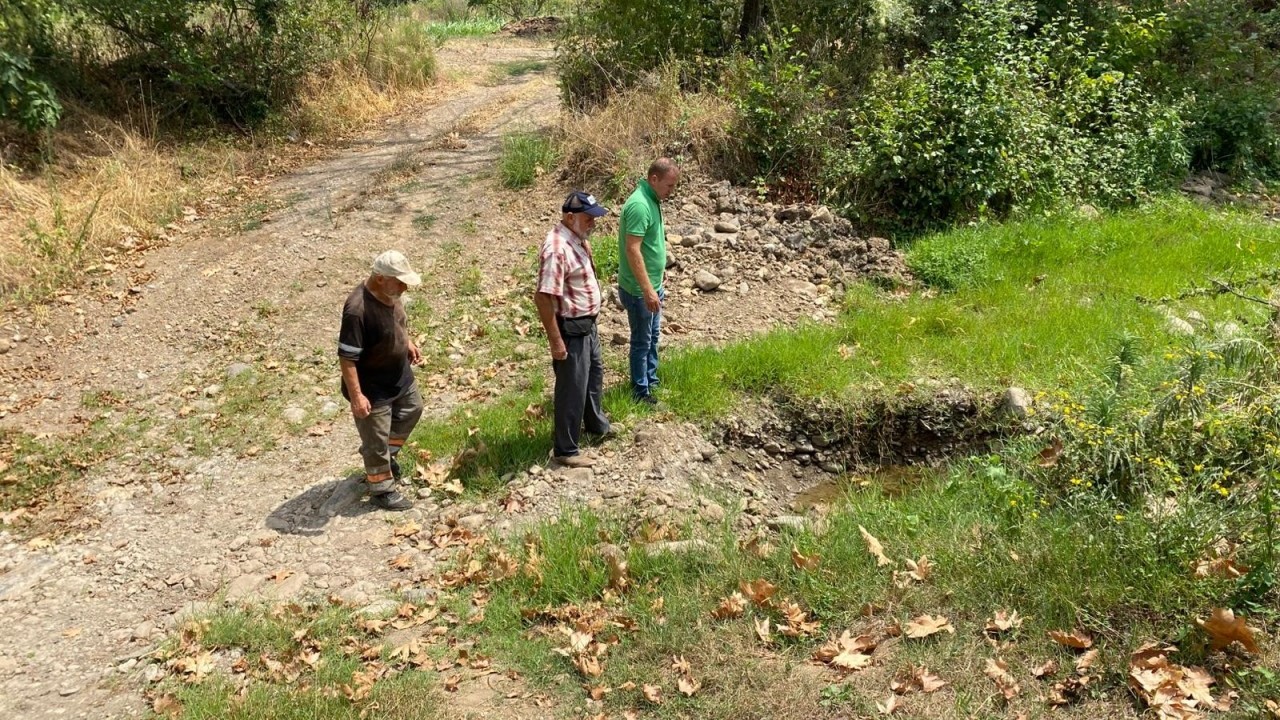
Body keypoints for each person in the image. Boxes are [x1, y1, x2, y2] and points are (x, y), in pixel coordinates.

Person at [533, 191, 620, 468]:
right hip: (570, 329)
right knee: (571, 389)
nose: (593, 223)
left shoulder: (577, 240)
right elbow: (543, 297)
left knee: (592, 379)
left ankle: (596, 426)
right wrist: (556, 342)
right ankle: (566, 450)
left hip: (587, 324)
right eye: (588, 217)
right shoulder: (557, 248)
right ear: (570, 217)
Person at [337, 250, 424, 510]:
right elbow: (347, 358)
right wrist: (356, 396)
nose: (404, 286)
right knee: (375, 441)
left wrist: (406, 341)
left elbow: (396, 322)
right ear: (379, 278)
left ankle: (384, 456)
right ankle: (381, 488)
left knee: (413, 410)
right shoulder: (357, 310)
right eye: (399, 281)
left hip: (399, 375)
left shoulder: (392, 294)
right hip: (372, 387)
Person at [617, 158, 680, 404]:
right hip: (639, 291)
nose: (671, 192)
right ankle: (640, 392)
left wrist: (659, 272)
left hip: (652, 286)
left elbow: (651, 244)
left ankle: (650, 381)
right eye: (670, 186)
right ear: (654, 179)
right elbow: (633, 249)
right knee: (642, 341)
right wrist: (647, 289)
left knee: (653, 337)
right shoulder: (640, 205)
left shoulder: (652, 199)